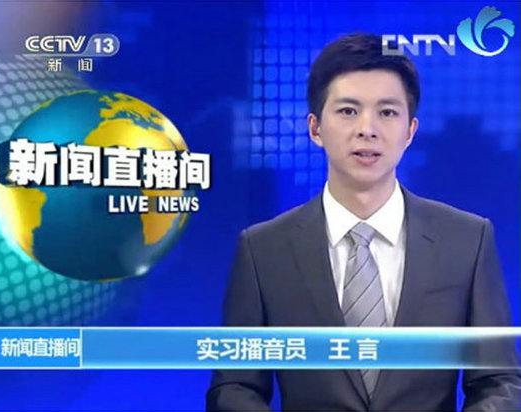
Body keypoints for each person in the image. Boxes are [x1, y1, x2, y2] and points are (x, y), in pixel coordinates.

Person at [206, 33, 520, 411]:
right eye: (348, 111)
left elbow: (498, 382)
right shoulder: (263, 249)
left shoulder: (467, 241)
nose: (367, 129)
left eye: (387, 113)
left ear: (410, 130)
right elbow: (235, 387)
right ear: (315, 128)